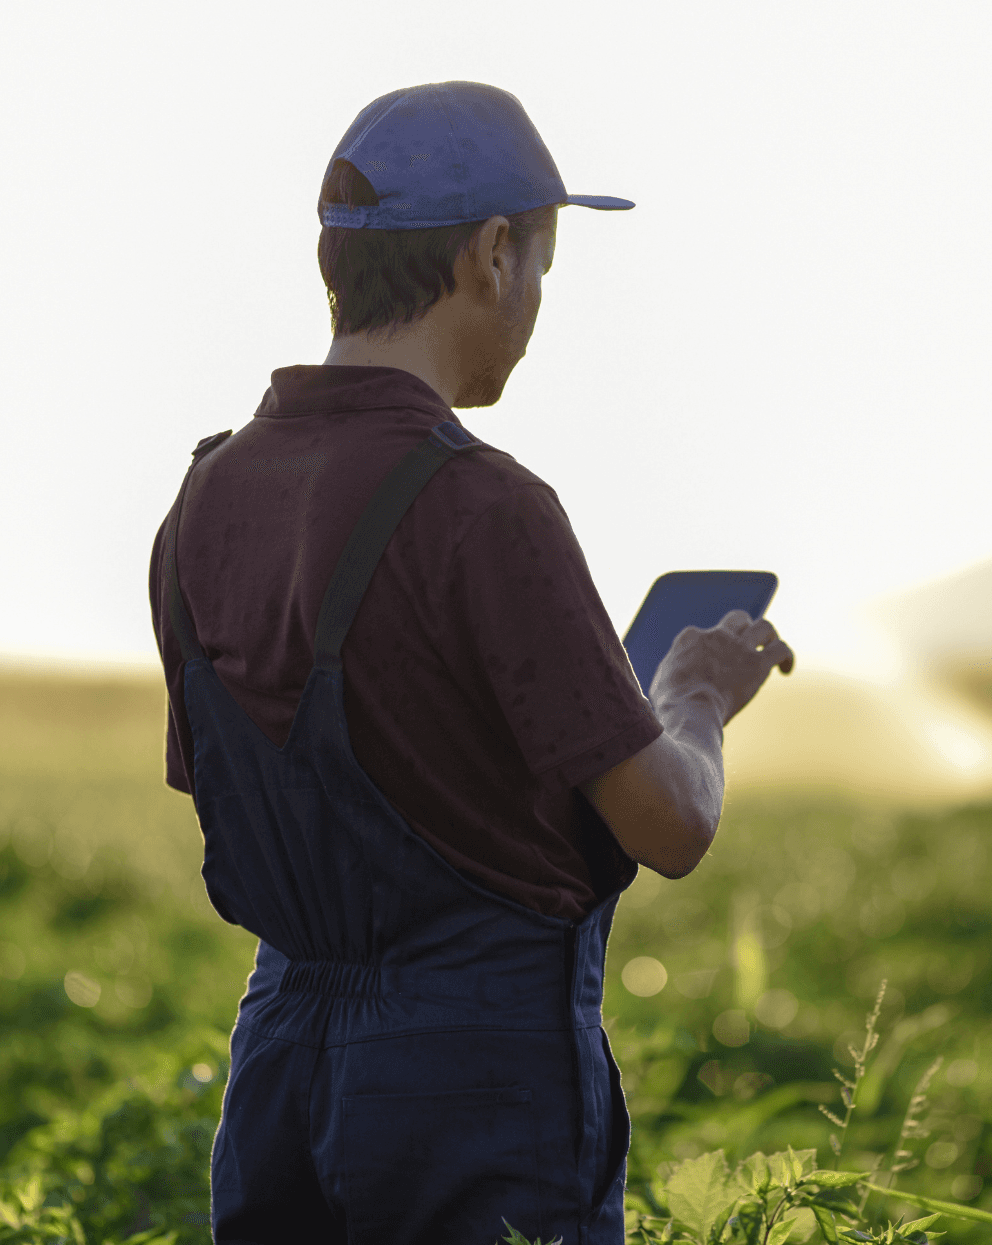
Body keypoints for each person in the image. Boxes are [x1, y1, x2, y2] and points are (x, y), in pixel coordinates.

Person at [147, 80, 793, 1245]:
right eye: (541, 264)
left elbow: (271, 786)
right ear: (493, 254)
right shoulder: (485, 506)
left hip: (278, 1070)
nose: (537, 300)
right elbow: (668, 828)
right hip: (470, 1089)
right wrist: (693, 695)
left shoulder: (202, 497)